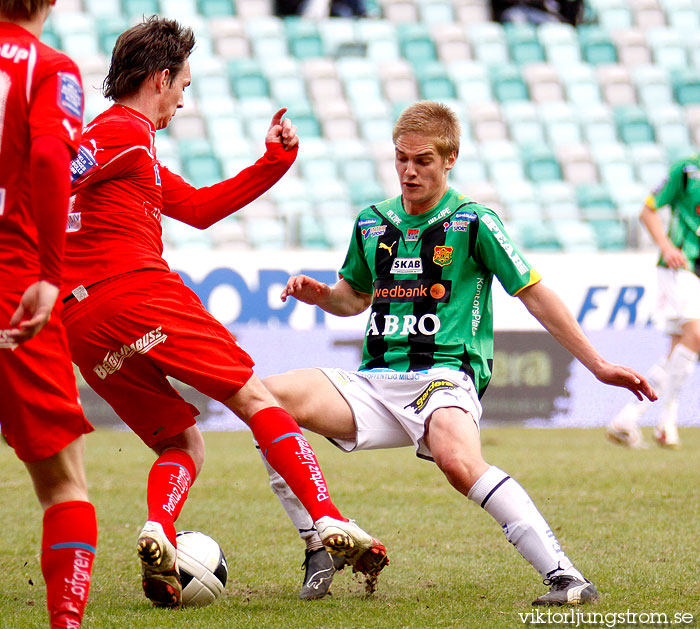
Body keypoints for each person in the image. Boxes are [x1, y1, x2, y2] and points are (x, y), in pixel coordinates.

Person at [258, 101, 657, 604]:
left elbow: (533, 291)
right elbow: (355, 297)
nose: (408, 170)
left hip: (444, 379)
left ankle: (566, 576)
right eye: (401, 158)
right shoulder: (372, 222)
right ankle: (320, 542)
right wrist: (322, 295)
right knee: (265, 400)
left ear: (450, 159)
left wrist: (597, 363)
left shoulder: (474, 222)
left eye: (422, 160)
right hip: (374, 383)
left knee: (456, 459)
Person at [59, 16, 387, 609]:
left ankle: (159, 528)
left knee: (183, 443)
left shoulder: (134, 152)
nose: (184, 100)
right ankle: (328, 519)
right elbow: (58, 173)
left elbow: (201, 209)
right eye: (183, 85)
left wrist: (272, 164)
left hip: (83, 324)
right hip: (136, 291)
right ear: (161, 78)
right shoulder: (121, 134)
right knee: (256, 398)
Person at [0, 1, 98, 627]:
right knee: (63, 483)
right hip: (11, 276)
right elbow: (46, 157)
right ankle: (64, 621)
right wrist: (47, 276)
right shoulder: (47, 66)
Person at [606, 154, 700, 450]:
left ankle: (627, 418)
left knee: (679, 351)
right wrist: (667, 246)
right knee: (696, 335)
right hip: (678, 266)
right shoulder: (687, 171)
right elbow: (648, 211)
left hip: (694, 269)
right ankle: (667, 422)